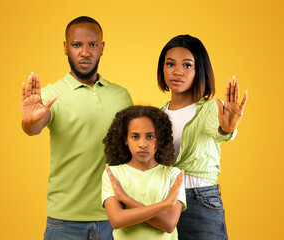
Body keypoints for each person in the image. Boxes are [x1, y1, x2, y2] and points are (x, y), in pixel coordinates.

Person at [21, 16, 133, 240]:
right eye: (76, 45)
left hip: (115, 219)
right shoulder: (50, 95)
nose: (85, 52)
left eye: (92, 45)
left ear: (102, 48)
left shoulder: (122, 96)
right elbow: (33, 128)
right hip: (65, 221)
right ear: (65, 48)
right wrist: (30, 121)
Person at [157, 35, 248, 240]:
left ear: (200, 71)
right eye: (170, 64)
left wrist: (226, 128)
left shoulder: (209, 109)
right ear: (162, 69)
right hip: (164, 202)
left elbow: (218, 130)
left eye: (187, 65)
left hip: (200, 201)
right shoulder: (158, 115)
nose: (177, 71)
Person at [102, 105, 187, 240]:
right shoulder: (113, 174)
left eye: (150, 136)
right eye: (135, 137)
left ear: (159, 139)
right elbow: (117, 220)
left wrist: (126, 199)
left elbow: (169, 224)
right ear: (125, 139)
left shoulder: (174, 175)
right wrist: (165, 205)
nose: (143, 144)